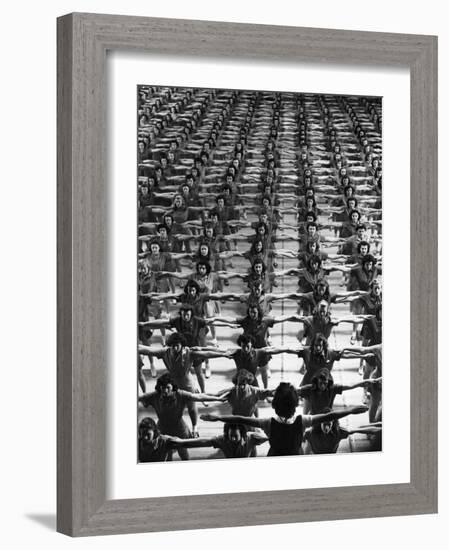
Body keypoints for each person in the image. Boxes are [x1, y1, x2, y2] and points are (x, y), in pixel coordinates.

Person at [201, 382, 368, 456]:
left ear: (275, 405)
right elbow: (330, 415)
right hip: (295, 455)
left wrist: (217, 417)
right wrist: (352, 410)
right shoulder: (303, 421)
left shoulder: (267, 423)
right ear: (295, 405)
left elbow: (240, 419)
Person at [138, 373, 226, 460]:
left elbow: (198, 396)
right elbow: (139, 397)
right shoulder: (154, 395)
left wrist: (217, 398)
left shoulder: (180, 394)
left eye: (168, 387)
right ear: (159, 387)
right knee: (166, 454)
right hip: (162, 429)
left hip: (179, 429)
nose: (165, 391)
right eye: (163, 387)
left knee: (183, 452)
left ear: (173, 387)